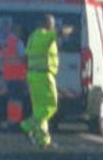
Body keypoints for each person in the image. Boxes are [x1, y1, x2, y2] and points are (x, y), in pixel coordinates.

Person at [20, 14, 70, 148]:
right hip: (44, 76)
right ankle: (27, 126)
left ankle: (43, 140)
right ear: (47, 24)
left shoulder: (32, 37)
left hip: (32, 76)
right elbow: (58, 34)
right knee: (51, 106)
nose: (53, 27)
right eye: (52, 24)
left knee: (39, 110)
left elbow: (24, 57)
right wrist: (69, 29)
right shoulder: (44, 35)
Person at [0, 24, 27, 127]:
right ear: (18, 32)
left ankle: (11, 121)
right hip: (17, 76)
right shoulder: (18, 43)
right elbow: (23, 58)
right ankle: (15, 121)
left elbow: (2, 58)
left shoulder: (5, 42)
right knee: (17, 100)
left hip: (8, 76)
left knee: (11, 100)